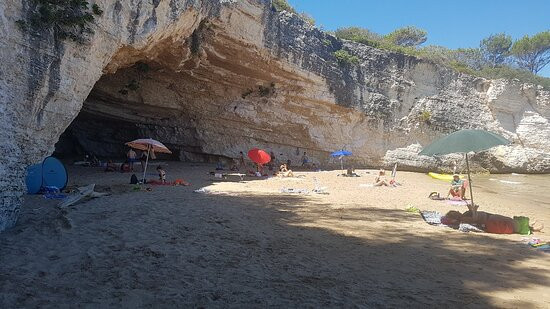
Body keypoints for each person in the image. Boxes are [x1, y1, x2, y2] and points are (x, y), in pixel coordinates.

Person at [442, 208, 543, 235]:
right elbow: (474, 219)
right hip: (490, 220)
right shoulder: (463, 218)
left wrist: (472, 209)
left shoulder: (464, 215)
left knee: (510, 220)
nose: (458, 211)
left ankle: (531, 227)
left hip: (490, 217)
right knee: (510, 222)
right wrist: (474, 210)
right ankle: (531, 228)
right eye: (456, 212)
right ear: (456, 215)